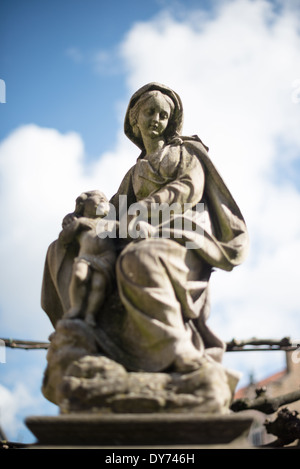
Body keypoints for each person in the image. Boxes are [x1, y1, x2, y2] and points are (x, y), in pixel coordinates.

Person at [41, 82, 249, 376]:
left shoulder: (186, 154)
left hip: (183, 235)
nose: (157, 120)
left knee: (138, 259)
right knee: (67, 248)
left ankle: (177, 349)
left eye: (163, 115)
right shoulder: (135, 173)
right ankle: (84, 331)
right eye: (150, 112)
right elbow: (112, 214)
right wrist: (80, 217)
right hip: (142, 234)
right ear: (134, 121)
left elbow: (188, 189)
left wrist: (143, 209)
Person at [58, 190, 116, 327]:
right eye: (100, 198)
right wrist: (78, 224)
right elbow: (64, 238)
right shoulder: (79, 222)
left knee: (98, 285)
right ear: (82, 202)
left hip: (106, 257)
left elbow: (126, 229)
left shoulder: (110, 223)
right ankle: (76, 308)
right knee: (79, 276)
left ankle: (90, 314)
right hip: (85, 256)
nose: (104, 202)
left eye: (106, 201)